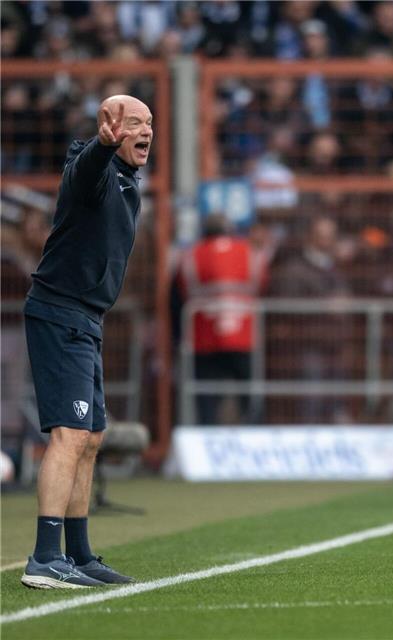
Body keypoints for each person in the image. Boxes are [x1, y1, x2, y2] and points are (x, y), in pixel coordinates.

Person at [20, 95, 152, 588]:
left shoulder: (124, 183)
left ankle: (77, 555)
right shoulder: (89, 169)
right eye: (135, 122)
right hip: (60, 313)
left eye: (150, 123)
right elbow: (86, 169)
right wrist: (101, 146)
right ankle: (43, 557)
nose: (147, 131)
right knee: (69, 435)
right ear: (109, 127)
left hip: (87, 318)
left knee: (92, 438)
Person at [172, 214, 268, 425]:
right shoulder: (249, 252)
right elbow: (261, 282)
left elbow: (181, 288)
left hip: (203, 335)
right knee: (250, 394)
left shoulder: (191, 256)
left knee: (205, 396)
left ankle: (206, 436)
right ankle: (255, 432)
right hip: (244, 335)